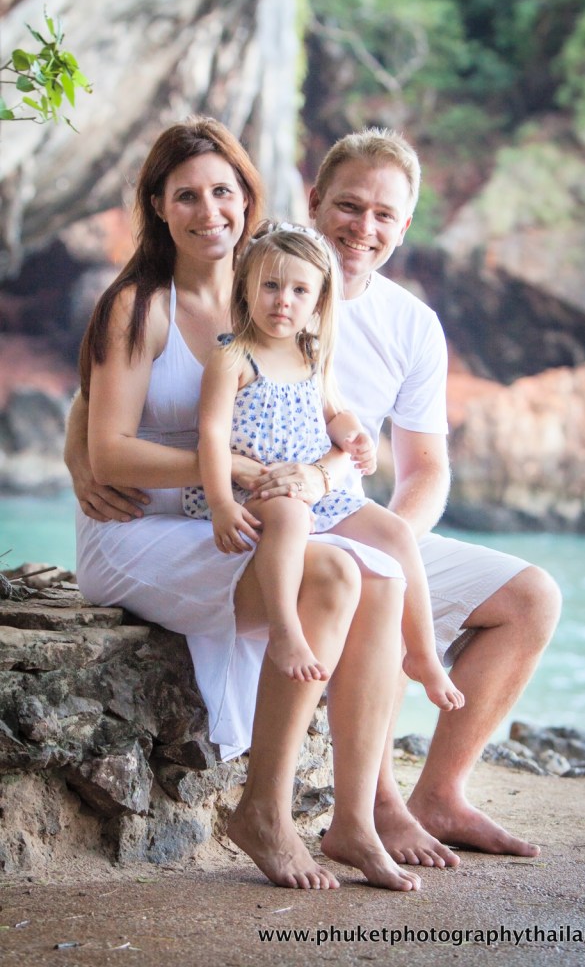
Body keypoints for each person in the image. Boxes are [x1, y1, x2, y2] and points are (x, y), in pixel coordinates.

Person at [70, 115, 423, 892]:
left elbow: (326, 421)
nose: (209, 211)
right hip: (139, 526)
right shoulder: (139, 304)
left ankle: (356, 818)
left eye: (223, 192)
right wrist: (231, 469)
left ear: (247, 197)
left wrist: (318, 474)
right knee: (332, 572)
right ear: (157, 205)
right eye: (186, 195)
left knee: (380, 574)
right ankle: (264, 809)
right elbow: (108, 450)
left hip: (240, 513)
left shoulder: (270, 291)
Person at [236, 128, 563, 865]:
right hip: (272, 523)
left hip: (355, 518)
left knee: (530, 598)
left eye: (384, 215)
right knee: (368, 576)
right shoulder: (263, 285)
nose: (364, 228)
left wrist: (394, 538)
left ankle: (440, 795)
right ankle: (375, 806)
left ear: (405, 226)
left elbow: (426, 470)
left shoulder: (411, 324)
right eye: (348, 206)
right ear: (314, 201)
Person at [184, 218, 464, 712]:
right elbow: (210, 437)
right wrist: (222, 504)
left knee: (396, 533)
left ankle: (423, 654)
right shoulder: (232, 359)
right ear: (245, 288)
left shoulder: (312, 354)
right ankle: (285, 630)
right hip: (255, 491)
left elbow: (335, 412)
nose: (283, 301)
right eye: (270, 286)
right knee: (291, 516)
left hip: (315, 489)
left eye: (299, 290)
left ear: (318, 302)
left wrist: (355, 436)